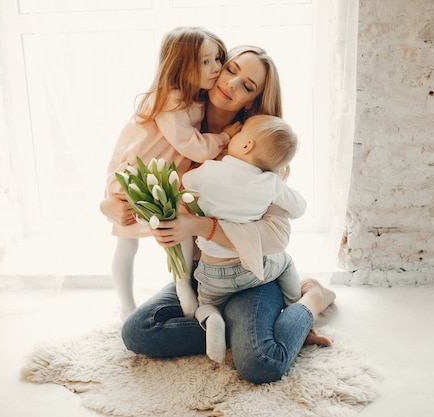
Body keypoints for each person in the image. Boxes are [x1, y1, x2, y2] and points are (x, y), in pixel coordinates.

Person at [100, 45, 336, 384]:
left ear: (251, 102)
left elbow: (277, 236)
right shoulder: (176, 128)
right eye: (231, 69)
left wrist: (198, 225)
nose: (232, 83)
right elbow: (129, 180)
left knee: (260, 364)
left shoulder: (260, 147)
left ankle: (312, 298)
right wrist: (110, 206)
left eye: (248, 86)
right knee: (139, 333)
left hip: (253, 270)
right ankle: (238, 325)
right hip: (204, 275)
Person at [104, 27, 241, 320]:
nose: (216, 67)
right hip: (138, 179)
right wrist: (225, 137)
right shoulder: (170, 100)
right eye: (205, 62)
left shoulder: (197, 99)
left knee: (180, 233)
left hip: (166, 182)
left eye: (217, 58)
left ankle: (184, 289)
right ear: (180, 65)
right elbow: (192, 146)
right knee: (127, 244)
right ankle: (127, 305)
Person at [180, 114, 307, 362]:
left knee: (205, 304)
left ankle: (211, 318)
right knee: (286, 261)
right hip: (250, 269)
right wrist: (278, 181)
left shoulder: (209, 171)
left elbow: (185, 182)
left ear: (246, 144)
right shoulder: (269, 181)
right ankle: (294, 305)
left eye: (239, 134)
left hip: (212, 270)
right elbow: (299, 208)